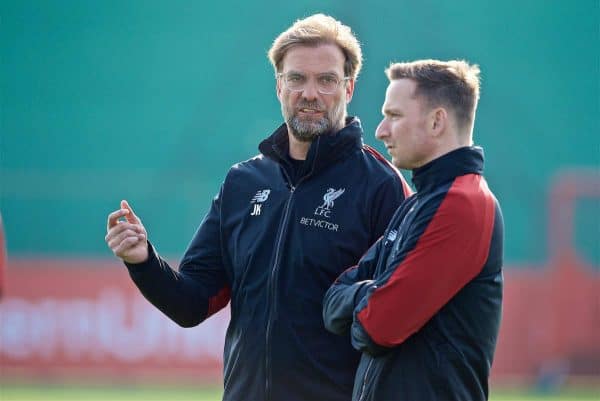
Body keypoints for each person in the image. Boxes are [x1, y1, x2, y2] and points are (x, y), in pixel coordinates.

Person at [105, 14, 411, 401]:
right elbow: (191, 303)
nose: (310, 93)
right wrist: (142, 260)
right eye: (297, 78)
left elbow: (401, 317)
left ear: (349, 88)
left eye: (326, 80)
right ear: (279, 86)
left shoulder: (381, 186)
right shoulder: (242, 182)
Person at [323, 59, 504, 401]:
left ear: (437, 121)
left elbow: (376, 328)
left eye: (394, 116)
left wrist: (365, 297)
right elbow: (332, 302)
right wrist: (371, 293)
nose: (381, 130)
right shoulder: (419, 203)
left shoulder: (461, 203)